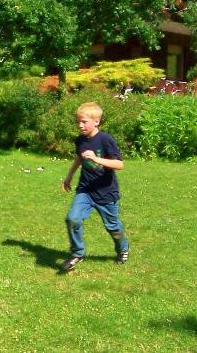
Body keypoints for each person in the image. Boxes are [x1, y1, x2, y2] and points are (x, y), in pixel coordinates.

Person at [60, 102, 129, 272]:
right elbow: (79, 159)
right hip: (85, 190)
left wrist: (96, 159)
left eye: (84, 122)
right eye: (78, 122)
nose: (80, 125)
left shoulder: (105, 139)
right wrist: (68, 177)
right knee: (72, 218)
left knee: (113, 227)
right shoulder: (80, 140)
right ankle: (78, 253)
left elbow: (119, 164)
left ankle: (123, 249)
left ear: (96, 121)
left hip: (106, 192)